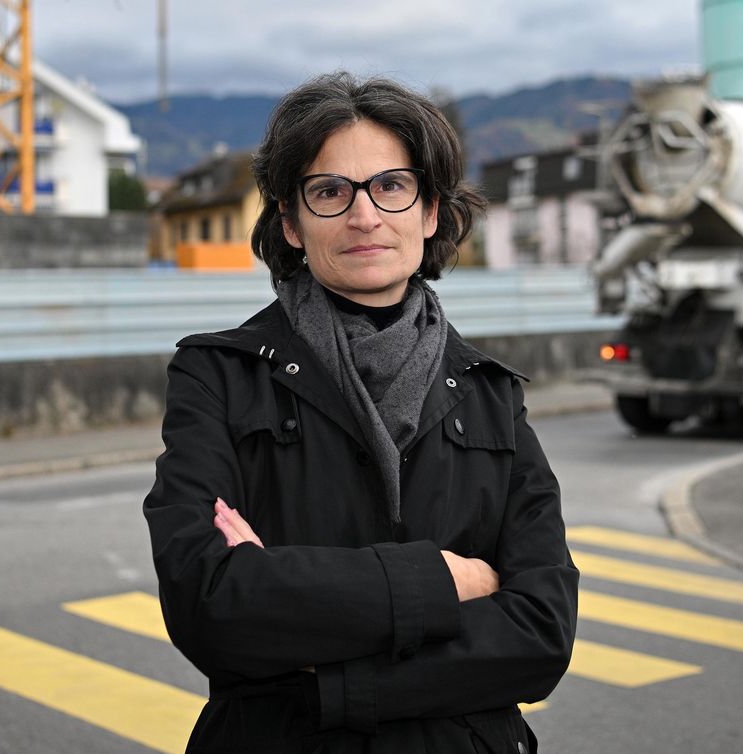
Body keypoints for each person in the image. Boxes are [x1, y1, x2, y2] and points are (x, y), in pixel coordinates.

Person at [143, 71, 578, 754]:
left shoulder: (491, 391)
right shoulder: (219, 376)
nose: (364, 214)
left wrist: (328, 674)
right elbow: (211, 606)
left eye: (392, 186)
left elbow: (541, 636)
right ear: (289, 222)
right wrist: (448, 580)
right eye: (329, 192)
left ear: (430, 211)